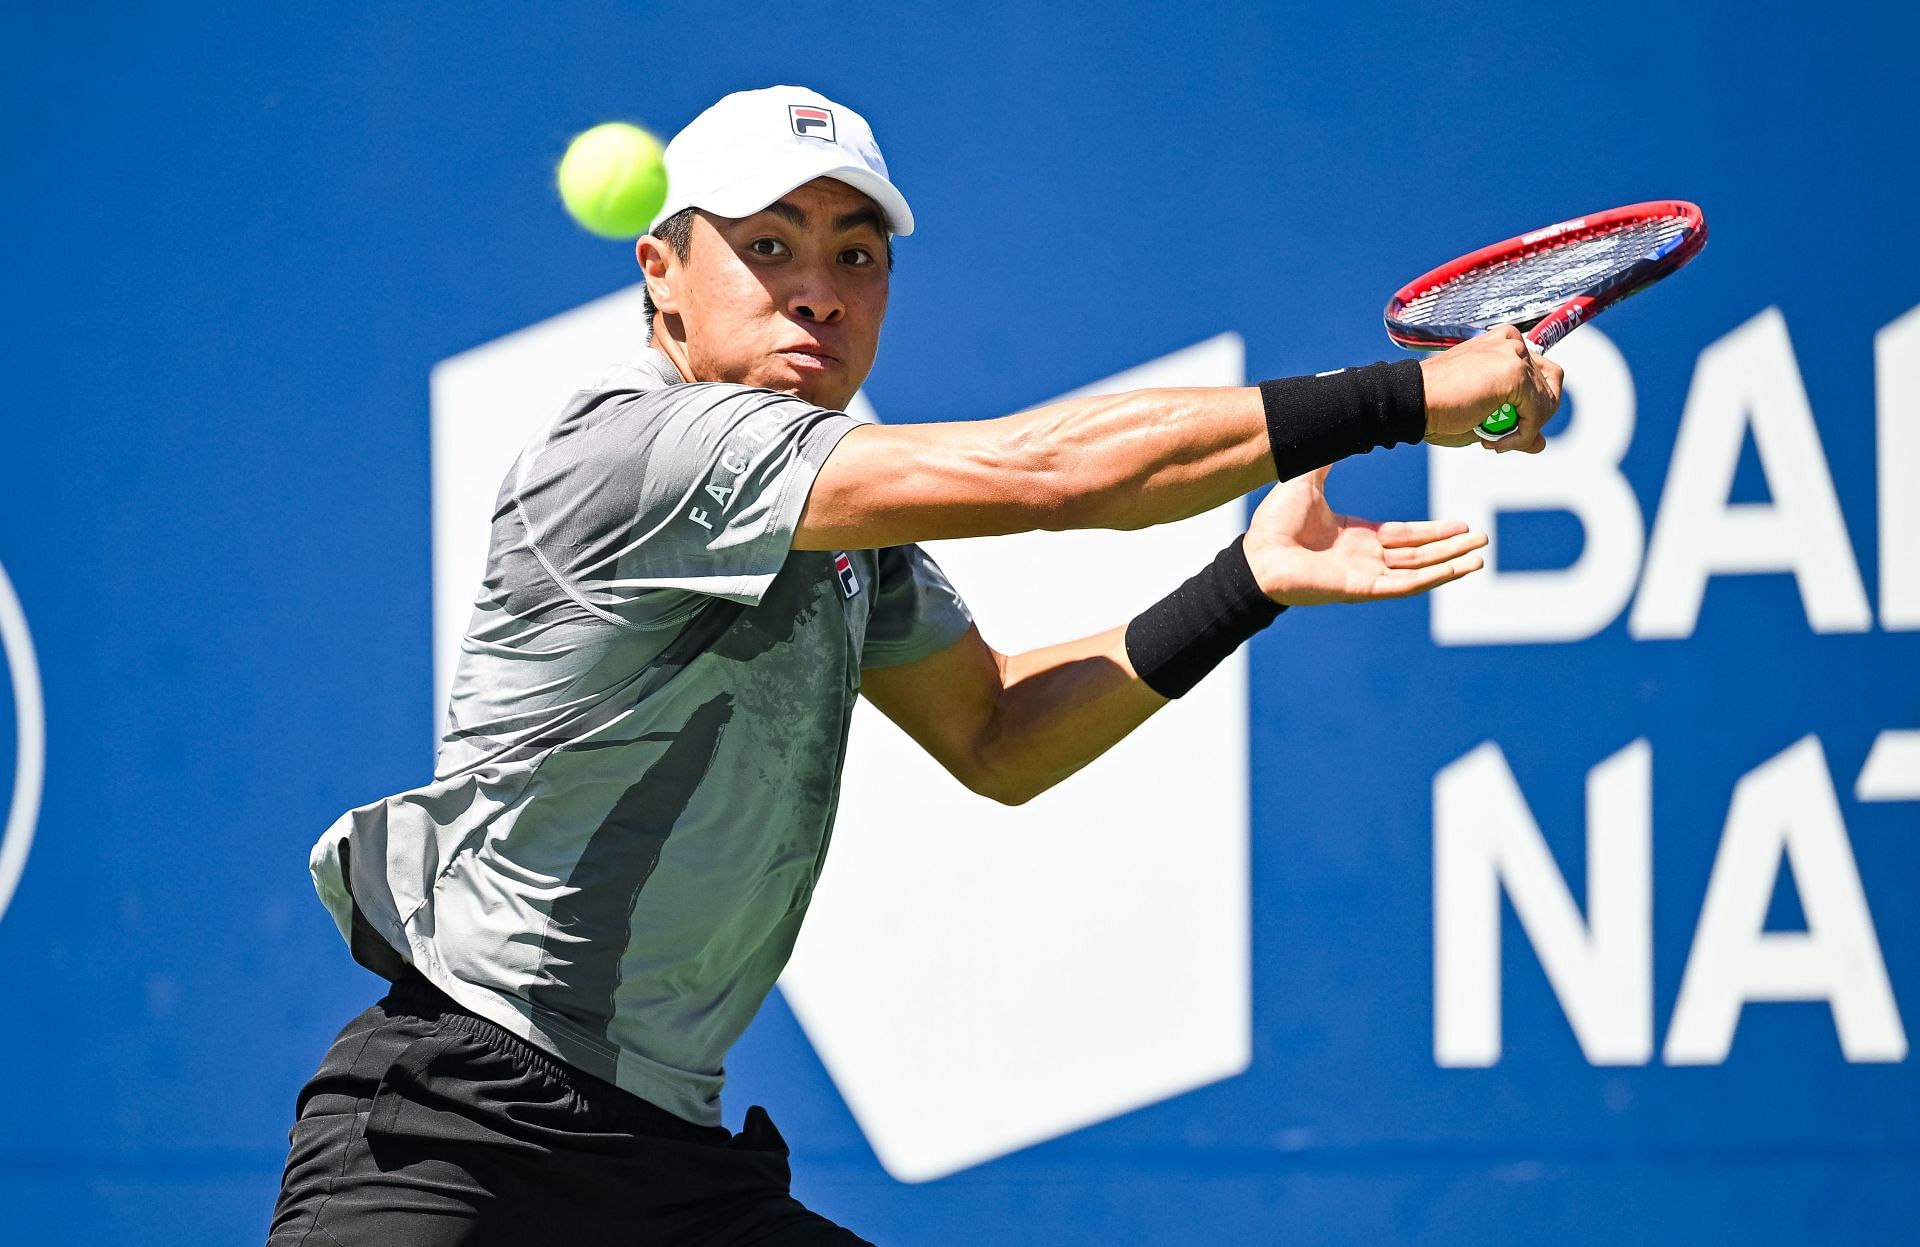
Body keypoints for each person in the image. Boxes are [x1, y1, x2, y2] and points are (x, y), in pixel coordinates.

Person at [267, 84, 1561, 1246]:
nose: (817, 289)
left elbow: (998, 735)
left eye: (856, 254)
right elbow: (1048, 476)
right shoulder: (640, 451)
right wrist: (1404, 397)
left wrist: (1244, 583)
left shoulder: (842, 530)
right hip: (452, 1128)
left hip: (668, 1163)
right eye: (766, 248)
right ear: (662, 272)